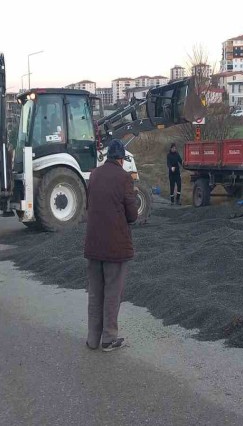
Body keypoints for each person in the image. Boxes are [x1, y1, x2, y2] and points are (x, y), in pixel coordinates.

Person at [84, 139, 138, 352]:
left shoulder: (94, 175)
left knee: (95, 293)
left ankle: (92, 339)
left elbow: (90, 205)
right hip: (115, 247)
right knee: (112, 293)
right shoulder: (124, 178)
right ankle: (108, 339)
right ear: (121, 159)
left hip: (93, 245)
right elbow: (132, 215)